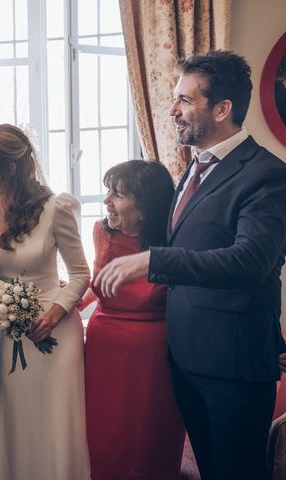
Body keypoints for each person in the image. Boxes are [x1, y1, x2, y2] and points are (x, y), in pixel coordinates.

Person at [94, 50, 286, 480]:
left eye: (185, 100)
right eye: (174, 98)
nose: (172, 109)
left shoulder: (268, 174)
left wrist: (153, 260)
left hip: (233, 367)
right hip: (185, 359)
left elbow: (249, 260)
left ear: (222, 109)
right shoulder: (192, 169)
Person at [0, 124, 91, 480]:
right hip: (12, 330)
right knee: (17, 415)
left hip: (56, 330)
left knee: (54, 419)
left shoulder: (57, 208)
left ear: (8, 167)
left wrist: (54, 313)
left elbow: (82, 274)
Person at [81, 160, 185, 480]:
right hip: (102, 352)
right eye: (107, 192)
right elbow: (97, 283)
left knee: (148, 436)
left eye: (118, 194)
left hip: (153, 359)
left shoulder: (173, 241)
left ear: (145, 205)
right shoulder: (101, 231)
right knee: (103, 432)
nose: (107, 201)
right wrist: (64, 304)